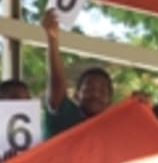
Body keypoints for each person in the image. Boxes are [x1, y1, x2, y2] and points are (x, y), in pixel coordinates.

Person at [42, 8, 113, 136]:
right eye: (89, 89)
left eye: (103, 91)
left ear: (109, 101)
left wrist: (140, 106)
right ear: (76, 94)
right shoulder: (65, 115)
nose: (96, 94)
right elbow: (57, 84)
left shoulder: (113, 128)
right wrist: (52, 40)